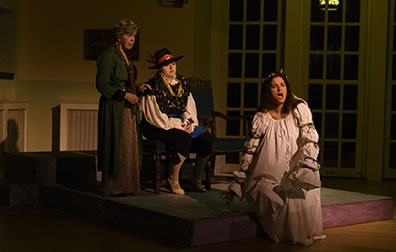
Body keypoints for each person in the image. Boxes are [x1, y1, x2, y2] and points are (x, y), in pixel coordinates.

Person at [225, 70, 326, 245]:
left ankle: (296, 234)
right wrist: (239, 183)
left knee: (300, 198)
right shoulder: (262, 117)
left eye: (283, 85)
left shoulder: (299, 109)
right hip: (266, 175)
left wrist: (306, 166)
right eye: (275, 86)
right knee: (274, 198)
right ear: (268, 91)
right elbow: (251, 151)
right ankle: (283, 233)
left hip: (294, 170)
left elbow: (310, 139)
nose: (280, 90)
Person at [141, 48, 214, 195]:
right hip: (158, 127)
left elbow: (189, 108)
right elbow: (157, 118)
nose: (171, 67)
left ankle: (195, 178)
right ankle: (173, 179)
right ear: (160, 68)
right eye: (167, 65)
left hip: (180, 124)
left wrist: (189, 124)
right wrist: (180, 126)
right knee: (184, 138)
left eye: (173, 63)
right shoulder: (153, 87)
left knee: (207, 138)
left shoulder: (182, 84)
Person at [96, 19, 151, 196]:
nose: (132, 39)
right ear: (119, 36)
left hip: (128, 109)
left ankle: (128, 185)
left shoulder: (126, 57)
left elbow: (128, 83)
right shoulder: (109, 56)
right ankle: (114, 186)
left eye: (134, 35)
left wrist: (138, 88)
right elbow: (102, 84)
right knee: (117, 144)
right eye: (129, 35)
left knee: (129, 146)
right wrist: (124, 95)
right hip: (114, 107)